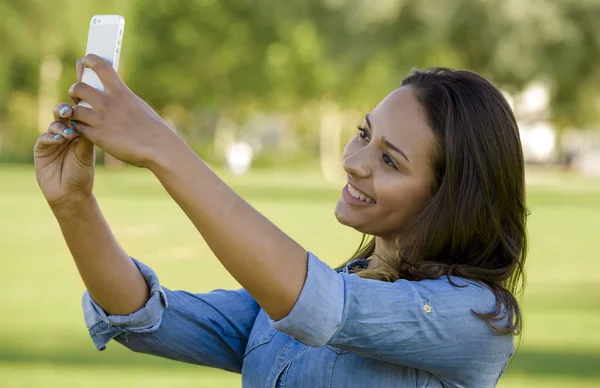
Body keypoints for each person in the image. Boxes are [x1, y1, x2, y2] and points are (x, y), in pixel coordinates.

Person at [34, 55, 527, 388]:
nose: (355, 161)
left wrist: (161, 146)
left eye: (391, 161)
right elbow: (144, 317)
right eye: (363, 134)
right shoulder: (301, 295)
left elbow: (319, 306)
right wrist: (73, 204)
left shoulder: (476, 320)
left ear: (450, 196)